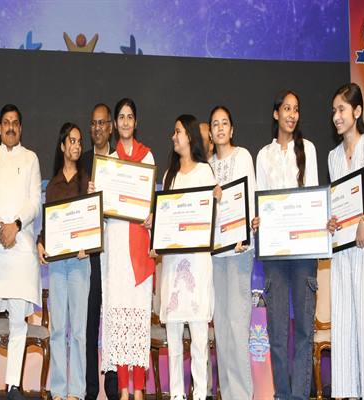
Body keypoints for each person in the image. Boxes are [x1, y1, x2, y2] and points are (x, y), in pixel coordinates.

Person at [252, 90, 319, 400]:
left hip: (304, 251)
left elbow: (314, 196)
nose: (292, 115)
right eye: (287, 109)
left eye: (296, 109)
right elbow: (261, 200)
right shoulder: (263, 155)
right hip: (275, 252)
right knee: (277, 331)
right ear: (276, 113)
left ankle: (300, 395)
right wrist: (258, 220)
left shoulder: (309, 149)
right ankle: (282, 394)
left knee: (304, 329)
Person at [0, 104, 41, 400]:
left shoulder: (31, 158)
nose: (11, 127)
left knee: (17, 320)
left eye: (15, 122)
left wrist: (15, 225)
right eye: (6, 122)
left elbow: (34, 201)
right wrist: (1, 227)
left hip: (21, 246)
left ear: (20, 128)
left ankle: (14, 384)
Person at [91, 98, 154, 400]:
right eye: (122, 117)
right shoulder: (109, 162)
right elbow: (102, 211)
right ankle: (124, 391)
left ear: (135, 122)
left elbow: (150, 204)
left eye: (130, 116)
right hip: (116, 249)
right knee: (118, 323)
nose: (126, 122)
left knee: (137, 324)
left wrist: (152, 214)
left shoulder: (147, 157)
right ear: (115, 124)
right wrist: (95, 196)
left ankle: (138, 390)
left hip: (139, 247)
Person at [156, 114, 215, 400]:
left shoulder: (205, 172)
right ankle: (177, 395)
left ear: (189, 136)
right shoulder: (170, 175)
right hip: (172, 266)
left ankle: (200, 394)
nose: (173, 136)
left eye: (177, 131)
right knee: (174, 341)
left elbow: (210, 216)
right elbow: (165, 220)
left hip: (198, 265)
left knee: (200, 341)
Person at [327, 83, 364, 399]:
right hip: (342, 250)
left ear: (357, 111)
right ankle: (350, 392)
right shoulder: (332, 157)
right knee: (344, 321)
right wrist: (331, 222)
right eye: (333, 110)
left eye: (342, 109)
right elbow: (338, 202)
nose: (336, 116)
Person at [38, 122, 91, 400]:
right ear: (62, 145)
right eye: (71, 141)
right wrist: (40, 243)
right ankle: (58, 390)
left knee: (79, 331)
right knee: (58, 329)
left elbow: (94, 222)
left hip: (80, 263)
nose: (76, 146)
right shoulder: (53, 186)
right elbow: (48, 225)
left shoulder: (87, 182)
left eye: (79, 141)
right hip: (58, 265)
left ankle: (77, 392)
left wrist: (89, 244)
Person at [208, 106, 255, 399]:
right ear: (211, 133)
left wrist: (244, 235)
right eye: (215, 124)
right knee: (222, 331)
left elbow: (249, 199)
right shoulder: (206, 166)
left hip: (238, 252)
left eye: (224, 123)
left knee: (238, 328)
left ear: (232, 129)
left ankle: (242, 395)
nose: (220, 128)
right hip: (215, 256)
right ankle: (227, 393)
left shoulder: (243, 157)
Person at [79, 103, 118, 400]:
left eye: (102, 123)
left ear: (111, 127)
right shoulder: (82, 161)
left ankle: (114, 387)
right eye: (93, 123)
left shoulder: (122, 162)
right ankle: (91, 388)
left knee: (114, 320)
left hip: (116, 250)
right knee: (90, 321)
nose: (97, 128)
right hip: (89, 253)